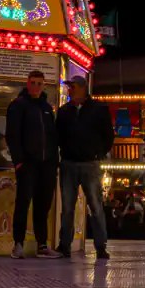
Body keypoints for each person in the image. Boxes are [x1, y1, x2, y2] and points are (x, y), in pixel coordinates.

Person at [55, 74, 114, 259]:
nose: (69, 90)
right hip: (69, 163)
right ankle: (65, 244)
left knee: (95, 206)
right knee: (67, 207)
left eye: (72, 87)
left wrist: (98, 153)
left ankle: (100, 245)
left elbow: (108, 135)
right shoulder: (64, 111)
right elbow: (58, 135)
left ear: (81, 88)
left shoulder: (98, 109)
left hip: (89, 163)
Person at [5, 68, 60, 258]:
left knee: (43, 205)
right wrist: (19, 161)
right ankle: (18, 243)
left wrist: (53, 162)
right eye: (33, 82)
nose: (36, 86)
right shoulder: (19, 106)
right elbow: (12, 135)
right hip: (28, 164)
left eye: (39, 83)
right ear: (27, 83)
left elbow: (52, 136)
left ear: (43, 85)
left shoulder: (46, 108)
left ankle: (42, 244)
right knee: (23, 203)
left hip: (46, 165)